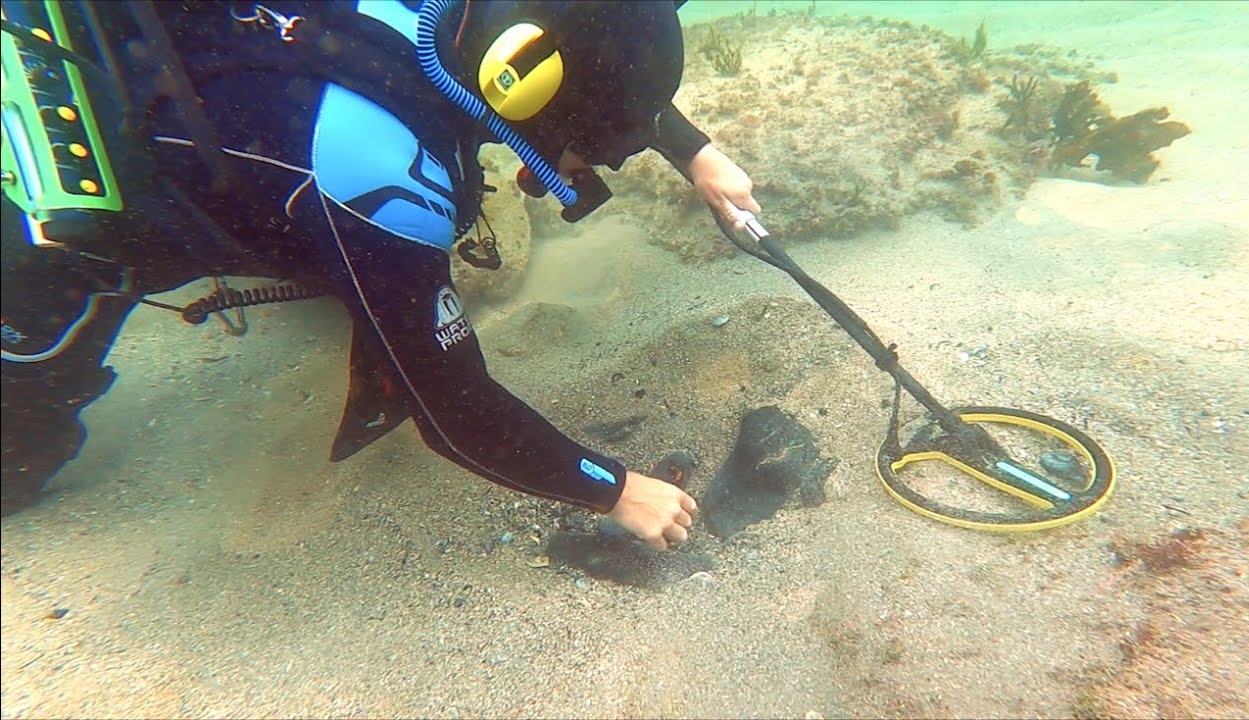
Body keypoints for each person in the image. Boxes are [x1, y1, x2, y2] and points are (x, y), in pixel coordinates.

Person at [0, 0, 761, 549]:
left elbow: (582, 44)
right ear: (522, 92)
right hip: (60, 232)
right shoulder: (381, 179)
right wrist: (616, 490)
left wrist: (695, 151)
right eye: (597, 149)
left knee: (372, 265)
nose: (601, 165)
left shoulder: (466, 23)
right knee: (18, 455)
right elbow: (456, 414)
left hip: (239, 83)